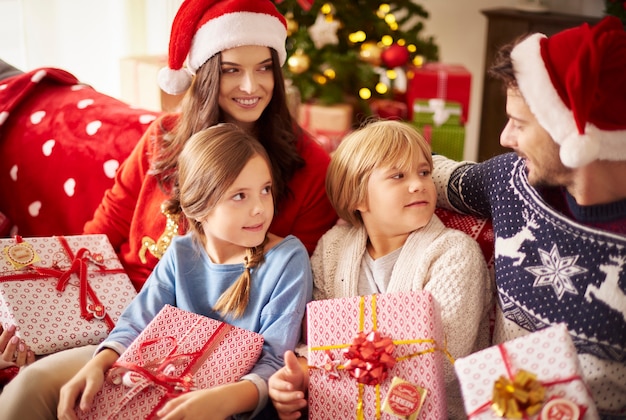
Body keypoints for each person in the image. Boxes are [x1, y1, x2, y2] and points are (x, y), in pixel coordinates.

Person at [431, 17, 626, 418]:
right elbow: (427, 175)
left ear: (575, 134)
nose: (505, 137)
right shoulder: (510, 179)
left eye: (519, 124)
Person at [48, 123, 310, 419]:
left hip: (238, 408)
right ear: (197, 206)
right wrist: (99, 364)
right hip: (160, 393)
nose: (260, 208)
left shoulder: (286, 259)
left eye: (265, 190)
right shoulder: (180, 253)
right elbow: (137, 323)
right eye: (240, 196)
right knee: (34, 388)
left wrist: (220, 402)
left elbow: (276, 360)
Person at [83, 0, 336, 291]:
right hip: (122, 302)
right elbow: (103, 232)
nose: (251, 87)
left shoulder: (310, 163)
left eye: (264, 68)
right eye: (231, 70)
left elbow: (297, 279)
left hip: (219, 318)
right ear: (205, 74)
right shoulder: (162, 136)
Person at [268, 119, 494, 420]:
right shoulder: (333, 248)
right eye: (398, 175)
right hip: (342, 409)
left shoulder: (453, 253)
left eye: (424, 172)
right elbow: (318, 339)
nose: (418, 184)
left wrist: (342, 363)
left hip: (428, 410)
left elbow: (442, 359)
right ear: (358, 197)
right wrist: (300, 376)